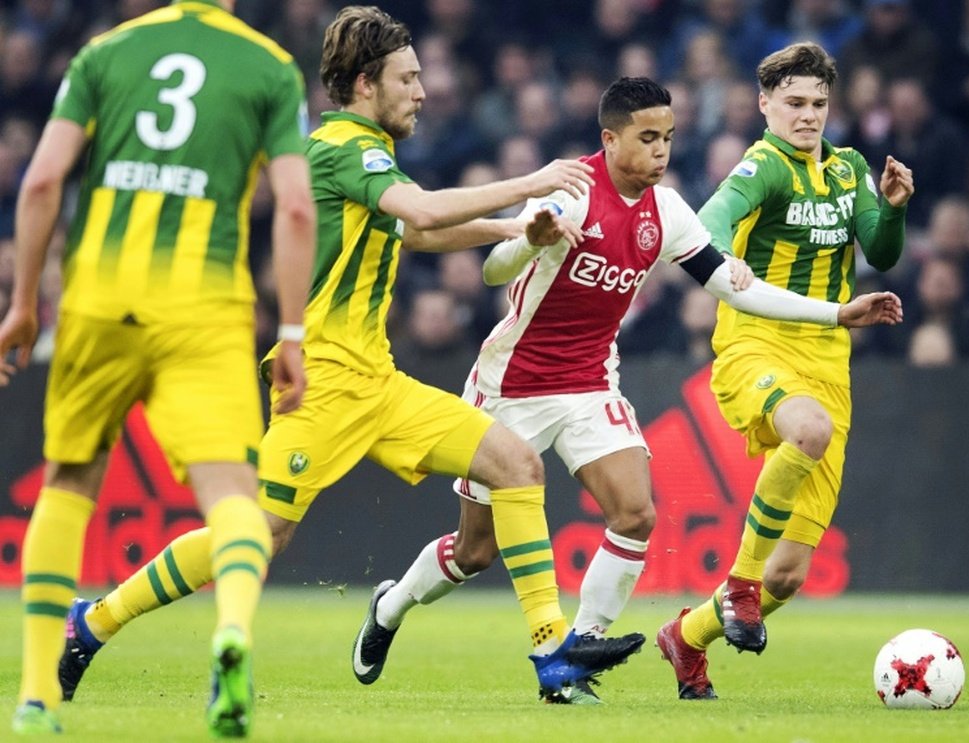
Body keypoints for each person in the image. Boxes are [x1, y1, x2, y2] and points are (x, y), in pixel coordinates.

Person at [55, 4, 645, 710]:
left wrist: (520, 229)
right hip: (326, 382)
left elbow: (415, 235)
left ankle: (551, 649)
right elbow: (422, 212)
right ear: (367, 83)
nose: (423, 92)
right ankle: (94, 619)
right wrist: (531, 184)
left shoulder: (371, 154)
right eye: (409, 78)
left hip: (381, 381)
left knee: (515, 464)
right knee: (255, 534)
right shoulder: (342, 144)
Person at [346, 76, 903, 705]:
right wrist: (526, 239)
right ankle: (390, 605)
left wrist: (835, 314)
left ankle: (577, 655)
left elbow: (731, 286)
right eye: (647, 138)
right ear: (610, 141)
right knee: (474, 551)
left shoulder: (666, 211)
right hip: (512, 385)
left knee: (636, 513)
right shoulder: (571, 193)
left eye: (668, 137)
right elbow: (492, 272)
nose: (662, 151)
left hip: (589, 383)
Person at [0, 0, 317, 736]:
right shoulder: (269, 67)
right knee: (234, 494)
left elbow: (43, 180)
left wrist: (22, 304)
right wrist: (293, 333)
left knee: (68, 481)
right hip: (204, 305)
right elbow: (297, 210)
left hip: (99, 300)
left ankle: (37, 693)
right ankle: (232, 632)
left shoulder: (106, 52)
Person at [657, 42, 914, 701]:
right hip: (756, 347)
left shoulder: (849, 167)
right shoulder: (763, 166)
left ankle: (687, 635)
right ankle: (736, 584)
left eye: (819, 104)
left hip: (830, 363)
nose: (808, 115)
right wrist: (717, 260)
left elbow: (880, 252)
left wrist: (892, 208)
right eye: (795, 102)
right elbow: (709, 216)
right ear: (766, 103)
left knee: (790, 575)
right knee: (807, 427)